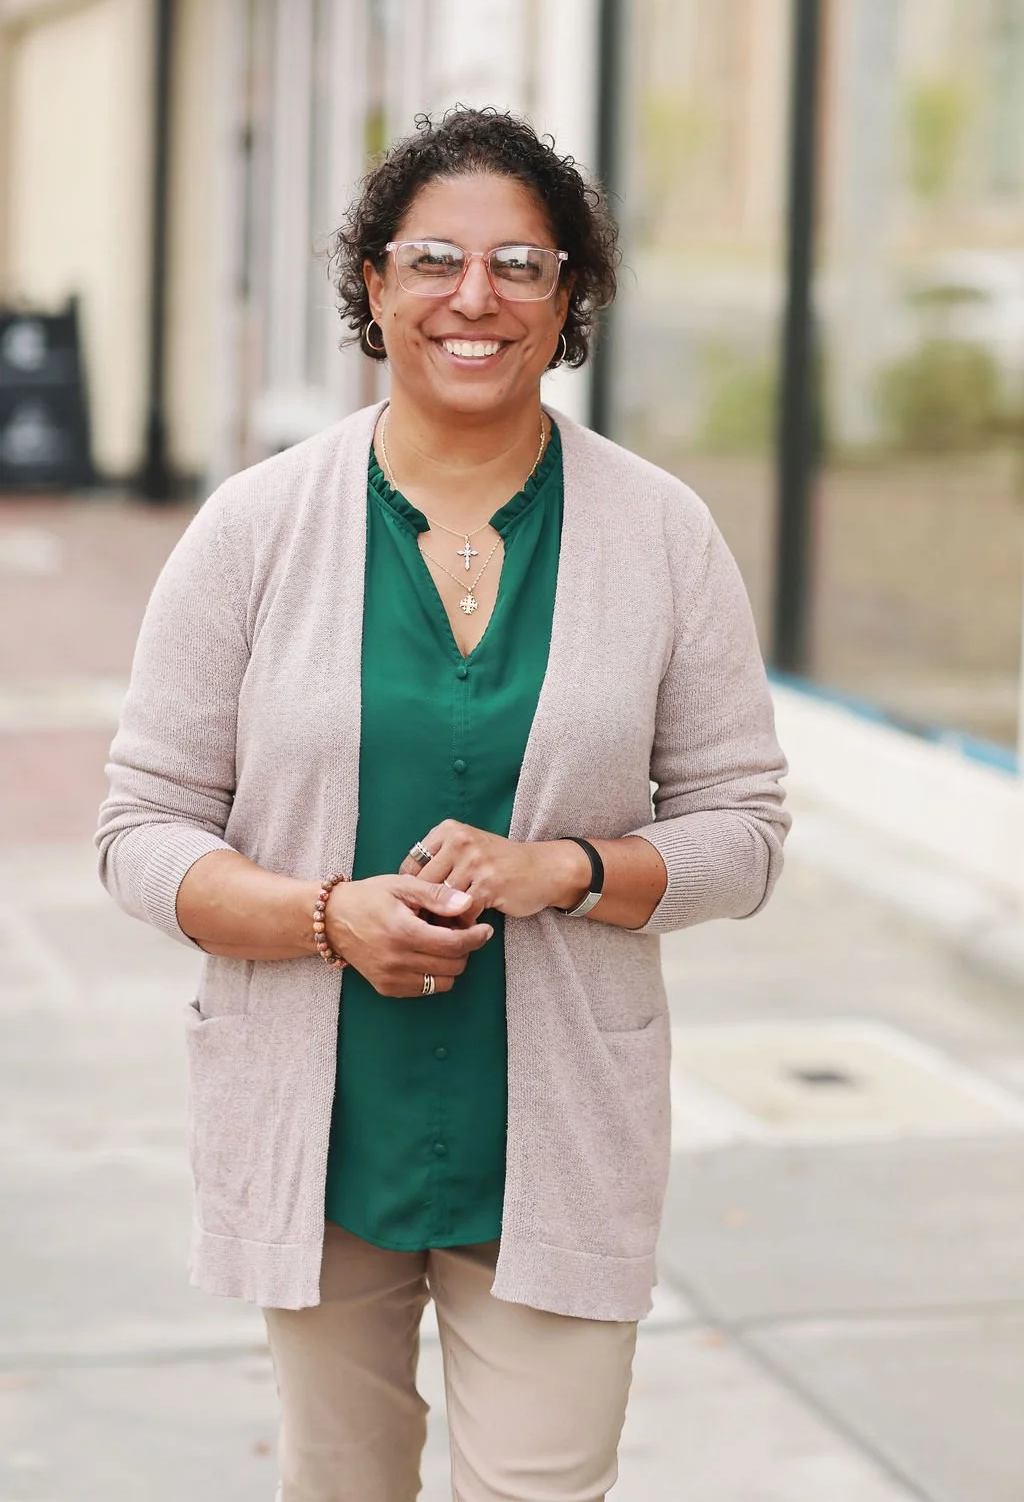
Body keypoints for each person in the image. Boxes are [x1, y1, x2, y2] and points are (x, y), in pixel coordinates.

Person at [96, 107, 789, 1502]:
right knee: (341, 1485)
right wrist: (325, 916)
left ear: (570, 295)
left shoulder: (661, 533)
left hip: (559, 1132)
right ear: (375, 284)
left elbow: (745, 830)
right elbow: (140, 831)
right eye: (434, 261)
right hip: (320, 1128)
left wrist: (568, 868)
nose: (476, 298)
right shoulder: (254, 528)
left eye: (521, 265)